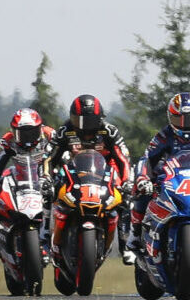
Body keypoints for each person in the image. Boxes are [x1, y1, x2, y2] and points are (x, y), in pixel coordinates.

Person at [126, 92, 190, 263]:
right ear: (170, 118)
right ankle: (135, 232)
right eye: (179, 120)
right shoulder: (164, 134)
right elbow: (147, 157)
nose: (184, 126)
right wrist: (143, 178)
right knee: (141, 190)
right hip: (171, 176)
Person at [46, 94, 133, 256]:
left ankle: (125, 243)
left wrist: (127, 181)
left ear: (99, 119)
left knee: (124, 197)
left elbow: (123, 159)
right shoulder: (65, 131)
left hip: (103, 175)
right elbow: (49, 158)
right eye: (79, 121)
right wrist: (46, 178)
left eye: (90, 122)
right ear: (72, 118)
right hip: (72, 174)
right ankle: (45, 234)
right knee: (47, 192)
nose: (85, 127)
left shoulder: (109, 131)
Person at [0, 108, 56, 253]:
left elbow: (64, 155)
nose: (28, 138)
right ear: (14, 132)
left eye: (32, 132)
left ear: (40, 128)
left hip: (44, 172)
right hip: (19, 174)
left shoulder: (50, 134)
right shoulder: (7, 141)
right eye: (22, 133)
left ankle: (53, 230)